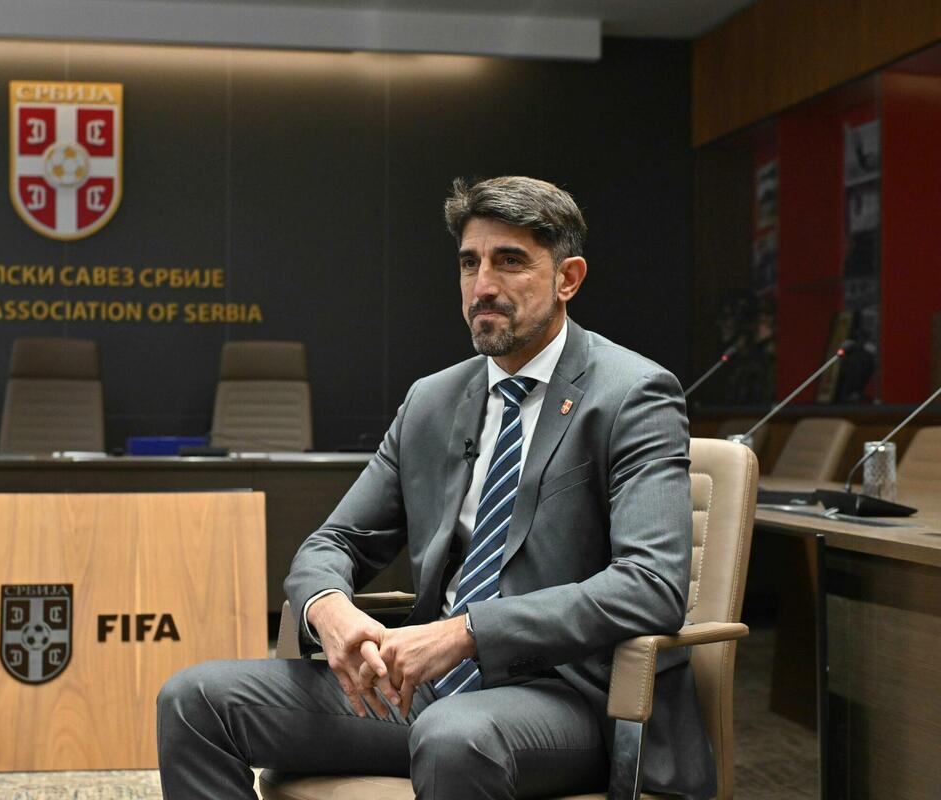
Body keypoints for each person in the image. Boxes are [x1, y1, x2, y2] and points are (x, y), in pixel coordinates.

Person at [157, 176, 715, 799]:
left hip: (571, 696)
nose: (483, 286)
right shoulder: (433, 400)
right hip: (428, 690)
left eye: (510, 262)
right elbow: (334, 542)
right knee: (195, 699)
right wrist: (329, 609)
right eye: (470, 263)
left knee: (454, 735)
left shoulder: (633, 394)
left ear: (568, 278)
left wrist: (467, 631)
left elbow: (651, 585)